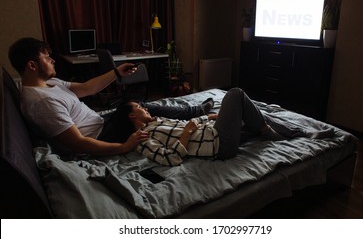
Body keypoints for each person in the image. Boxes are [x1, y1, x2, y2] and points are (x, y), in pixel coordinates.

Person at [7, 37, 214, 156]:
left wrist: (116, 72)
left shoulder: (50, 84)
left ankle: (193, 112)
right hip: (102, 135)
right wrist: (124, 147)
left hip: (101, 123)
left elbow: (87, 88)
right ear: (32, 65)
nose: (52, 60)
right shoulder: (42, 102)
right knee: (139, 109)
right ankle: (195, 116)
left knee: (136, 105)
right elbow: (79, 144)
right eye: (46, 57)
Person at [110, 87, 287, 166]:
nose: (145, 108)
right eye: (139, 107)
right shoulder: (142, 138)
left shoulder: (156, 121)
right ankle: (269, 132)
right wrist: (186, 134)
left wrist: (208, 116)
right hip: (218, 143)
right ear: (132, 115)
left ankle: (294, 132)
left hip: (212, 130)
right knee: (236, 94)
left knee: (252, 117)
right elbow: (170, 159)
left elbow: (189, 124)